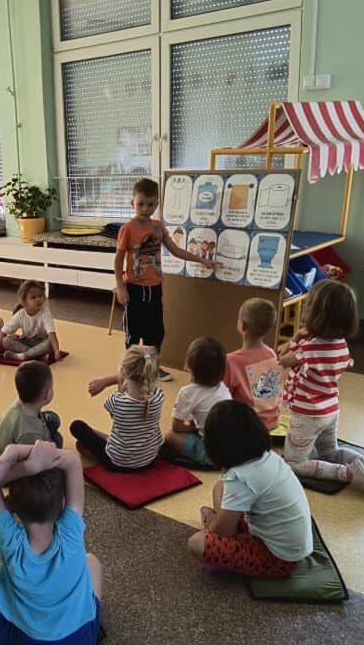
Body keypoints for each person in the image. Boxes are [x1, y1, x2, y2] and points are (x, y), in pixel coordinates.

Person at [0, 441, 103, 645]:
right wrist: (27, 457)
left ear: (12, 506)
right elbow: (72, 459)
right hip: (84, 643)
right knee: (91, 560)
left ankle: (6, 595)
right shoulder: (71, 532)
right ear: (62, 503)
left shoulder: (9, 541)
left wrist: (25, 466)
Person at [279, 280, 364, 499]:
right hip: (331, 409)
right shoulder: (341, 345)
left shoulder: (308, 348)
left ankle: (348, 473)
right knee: (330, 452)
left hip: (308, 415)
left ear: (315, 314)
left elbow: (282, 359)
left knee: (294, 462)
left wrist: (294, 339)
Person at [187, 400, 312, 578]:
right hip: (289, 545)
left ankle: (221, 529)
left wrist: (211, 522)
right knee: (220, 487)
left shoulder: (240, 477)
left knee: (197, 543)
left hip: (279, 559)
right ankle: (223, 521)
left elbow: (223, 532)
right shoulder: (267, 456)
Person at [114, 178, 219, 382]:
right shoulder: (127, 229)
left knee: (156, 331)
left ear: (157, 204)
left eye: (150, 204)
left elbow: (176, 250)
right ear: (132, 203)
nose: (146, 209)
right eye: (141, 204)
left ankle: (153, 367)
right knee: (133, 332)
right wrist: (120, 287)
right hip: (134, 288)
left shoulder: (158, 227)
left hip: (155, 287)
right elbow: (118, 260)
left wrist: (201, 260)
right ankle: (129, 370)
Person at [71, 345, 164, 472]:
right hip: (149, 458)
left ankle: (101, 450)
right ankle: (109, 441)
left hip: (119, 462)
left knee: (76, 426)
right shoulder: (159, 396)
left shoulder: (116, 401)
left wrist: (116, 383)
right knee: (130, 433)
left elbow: (117, 422)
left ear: (123, 371)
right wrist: (107, 381)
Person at [163, 337, 231, 467]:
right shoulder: (222, 387)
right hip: (232, 447)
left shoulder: (187, 392)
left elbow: (176, 427)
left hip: (211, 454)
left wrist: (194, 427)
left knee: (169, 435)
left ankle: (202, 458)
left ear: (189, 366)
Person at [223, 298, 283, 431]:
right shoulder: (271, 353)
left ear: (243, 326)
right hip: (273, 421)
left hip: (249, 426)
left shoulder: (231, 361)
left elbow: (222, 398)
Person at [0, 360, 63, 455]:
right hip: (12, 454)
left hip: (0, 439)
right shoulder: (30, 434)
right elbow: (34, 459)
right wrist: (47, 439)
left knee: (54, 418)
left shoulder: (22, 403)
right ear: (48, 394)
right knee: (58, 440)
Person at [0, 280, 61, 363]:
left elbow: (51, 333)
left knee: (50, 344)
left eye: (40, 296)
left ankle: (23, 356)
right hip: (26, 342)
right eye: (33, 297)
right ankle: (36, 354)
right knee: (5, 341)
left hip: (41, 342)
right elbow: (3, 331)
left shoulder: (45, 313)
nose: (38, 299)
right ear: (24, 301)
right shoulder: (20, 314)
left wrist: (56, 350)